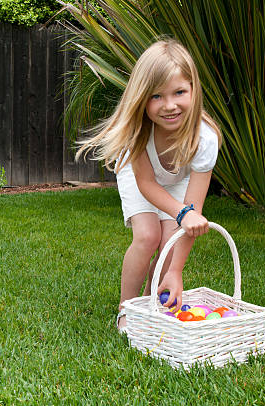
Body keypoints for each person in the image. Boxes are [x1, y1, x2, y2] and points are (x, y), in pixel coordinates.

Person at [75, 38, 221, 333]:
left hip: (178, 181)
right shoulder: (138, 130)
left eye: (179, 92)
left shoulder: (205, 139)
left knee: (169, 244)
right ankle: (127, 308)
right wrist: (182, 213)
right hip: (139, 176)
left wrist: (176, 270)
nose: (169, 106)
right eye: (156, 96)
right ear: (142, 98)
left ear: (194, 90)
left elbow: (192, 214)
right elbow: (147, 183)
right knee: (148, 235)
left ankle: (152, 302)